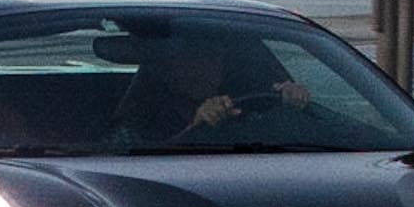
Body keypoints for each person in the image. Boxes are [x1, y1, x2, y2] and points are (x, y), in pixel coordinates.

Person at [111, 32, 310, 145]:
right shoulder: (138, 119)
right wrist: (195, 128)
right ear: (166, 68)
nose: (204, 68)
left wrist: (291, 102)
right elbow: (135, 164)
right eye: (190, 60)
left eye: (213, 59)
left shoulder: (249, 106)